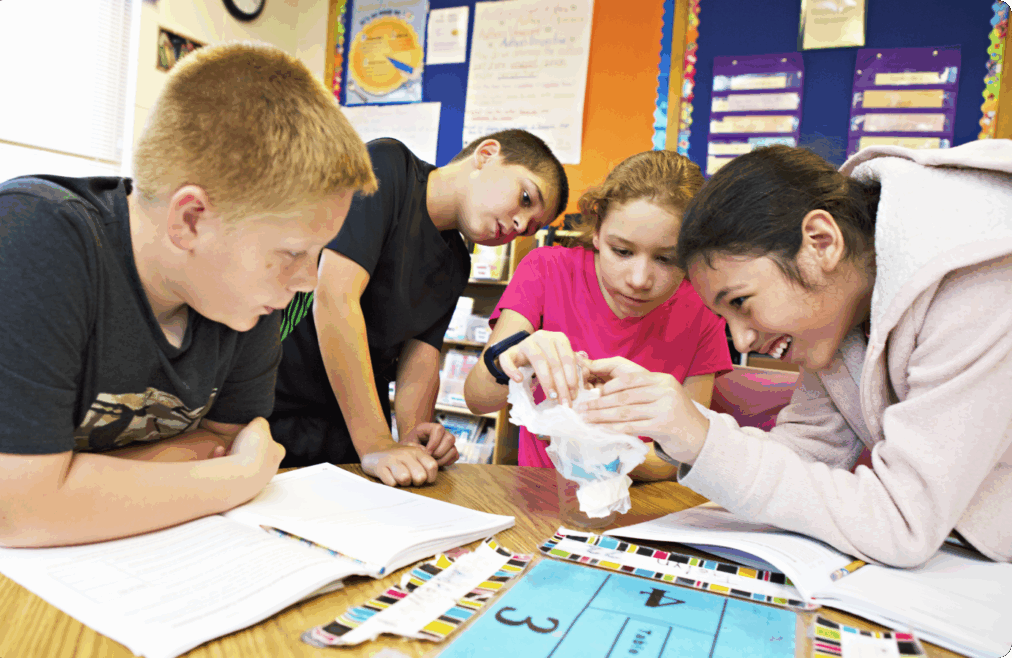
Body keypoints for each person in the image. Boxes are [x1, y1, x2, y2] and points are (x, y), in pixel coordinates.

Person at [0, 42, 376, 548]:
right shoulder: (33, 233)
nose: (308, 280)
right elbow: (15, 512)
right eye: (291, 252)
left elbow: (224, 440)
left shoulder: (242, 302)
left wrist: (70, 481)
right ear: (190, 220)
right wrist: (235, 478)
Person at [579, 141, 1012, 565]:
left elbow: (903, 522)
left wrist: (702, 438)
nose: (743, 340)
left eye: (741, 302)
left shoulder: (981, 283)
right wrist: (684, 427)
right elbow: (803, 451)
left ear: (821, 243)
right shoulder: (838, 304)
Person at [272, 131, 569, 486]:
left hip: (345, 430)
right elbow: (334, 296)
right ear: (488, 155)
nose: (520, 225)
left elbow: (420, 358)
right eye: (525, 197)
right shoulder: (389, 165)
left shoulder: (457, 264)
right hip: (275, 406)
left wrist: (417, 435)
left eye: (531, 227)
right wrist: (377, 442)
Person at [463, 150, 733, 480]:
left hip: (645, 509)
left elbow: (685, 452)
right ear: (596, 231)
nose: (639, 279)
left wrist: (601, 451)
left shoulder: (702, 313)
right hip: (542, 498)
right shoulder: (546, 271)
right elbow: (479, 401)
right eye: (621, 251)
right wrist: (514, 358)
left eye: (666, 259)